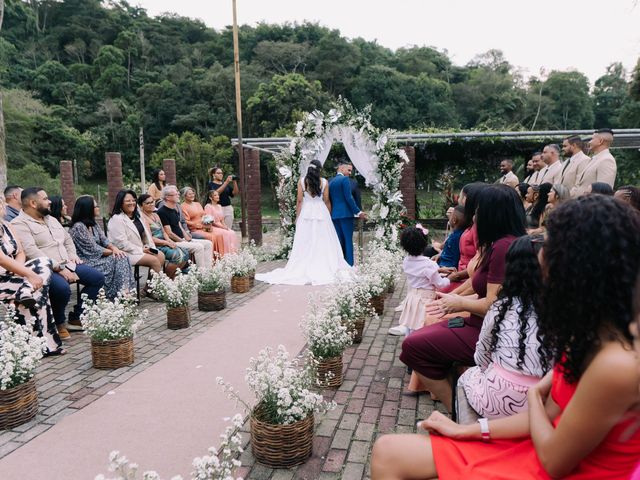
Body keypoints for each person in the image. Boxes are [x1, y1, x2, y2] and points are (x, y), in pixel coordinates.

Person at [371, 195, 640, 480]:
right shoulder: (591, 332)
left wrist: (535, 396)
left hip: (559, 466)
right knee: (387, 449)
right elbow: (550, 415)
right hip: (538, 446)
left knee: (391, 455)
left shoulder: (618, 363)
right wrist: (468, 430)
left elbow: (553, 461)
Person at [400, 184, 526, 412]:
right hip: (476, 323)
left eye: (478, 211)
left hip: (488, 332)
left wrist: (457, 303)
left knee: (413, 347)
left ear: (492, 214)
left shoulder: (502, 248)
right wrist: (451, 297)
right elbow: (475, 282)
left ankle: (458, 412)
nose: (474, 216)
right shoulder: (500, 243)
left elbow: (494, 305)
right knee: (419, 336)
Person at [457, 234, 546, 419]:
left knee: (466, 376)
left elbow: (481, 356)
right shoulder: (563, 309)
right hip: (545, 399)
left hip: (498, 401)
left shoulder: (502, 307)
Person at [11, 187, 105, 340]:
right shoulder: (19, 224)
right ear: (33, 203)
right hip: (44, 268)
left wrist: (72, 256)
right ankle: (59, 322)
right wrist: (60, 268)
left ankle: (77, 316)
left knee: (97, 278)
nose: (49, 202)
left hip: (67, 263)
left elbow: (67, 240)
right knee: (62, 289)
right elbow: (31, 251)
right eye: (45, 199)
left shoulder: (52, 219)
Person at [256, 160, 352, 285]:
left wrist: (297, 217)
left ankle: (304, 263)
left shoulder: (302, 181)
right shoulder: (324, 182)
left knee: (305, 239)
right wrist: (328, 215)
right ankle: (323, 263)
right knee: (323, 238)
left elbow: (299, 201)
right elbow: (327, 200)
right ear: (320, 169)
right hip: (320, 212)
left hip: (306, 212)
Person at [0, 197, 62, 355]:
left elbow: (20, 251)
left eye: (1, 202)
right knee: (38, 290)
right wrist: (27, 274)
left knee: (43, 262)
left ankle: (24, 291)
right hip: (2, 279)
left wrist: (19, 271)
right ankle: (48, 346)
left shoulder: (7, 225)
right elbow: (1, 258)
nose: (3, 206)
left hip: (15, 272)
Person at [69, 195, 134, 299]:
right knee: (120, 258)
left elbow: (105, 240)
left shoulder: (93, 224)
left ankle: (123, 292)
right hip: (86, 260)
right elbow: (93, 249)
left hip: (99, 257)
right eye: (96, 206)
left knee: (122, 257)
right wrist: (113, 252)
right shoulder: (78, 227)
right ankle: (120, 294)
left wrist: (114, 248)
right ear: (88, 209)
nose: (98, 208)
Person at [388, 227, 450, 336]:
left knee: (411, 325)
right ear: (424, 244)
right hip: (425, 300)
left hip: (412, 298)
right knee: (422, 329)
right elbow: (440, 284)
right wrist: (450, 279)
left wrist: (438, 270)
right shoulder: (429, 264)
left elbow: (421, 272)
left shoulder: (406, 261)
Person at [108, 190, 165, 292]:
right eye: (127, 201)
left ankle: (148, 288)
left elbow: (145, 235)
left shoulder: (137, 216)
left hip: (140, 249)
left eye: (133, 200)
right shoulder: (117, 219)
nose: (131, 203)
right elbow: (121, 243)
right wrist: (141, 249)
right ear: (120, 202)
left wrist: (149, 247)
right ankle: (152, 290)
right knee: (154, 261)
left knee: (160, 255)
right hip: (125, 253)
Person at [157, 186, 213, 268]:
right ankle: (202, 274)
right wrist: (182, 240)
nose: (178, 195)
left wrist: (186, 236)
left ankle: (208, 270)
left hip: (181, 239)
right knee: (199, 247)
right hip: (173, 241)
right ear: (168, 197)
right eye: (176, 194)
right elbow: (169, 233)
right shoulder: (162, 212)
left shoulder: (174, 208)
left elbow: (179, 224)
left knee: (208, 243)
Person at [137, 194, 188, 278]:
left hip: (164, 242)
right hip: (154, 245)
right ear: (141, 205)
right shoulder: (142, 218)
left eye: (152, 201)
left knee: (185, 253)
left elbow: (163, 231)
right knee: (176, 255)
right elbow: (149, 238)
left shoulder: (156, 215)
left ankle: (172, 278)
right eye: (148, 203)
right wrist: (166, 243)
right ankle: (165, 279)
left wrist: (169, 240)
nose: (152, 204)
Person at [328, 160, 367, 266]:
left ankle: (339, 264)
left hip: (334, 215)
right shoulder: (344, 179)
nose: (350, 173)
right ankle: (349, 265)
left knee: (339, 241)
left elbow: (328, 199)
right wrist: (358, 212)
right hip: (346, 214)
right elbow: (349, 198)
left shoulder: (330, 181)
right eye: (348, 170)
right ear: (341, 168)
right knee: (348, 241)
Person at [571, 128, 617, 197]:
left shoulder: (606, 160)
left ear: (600, 141)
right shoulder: (596, 159)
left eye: (592, 139)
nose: (589, 142)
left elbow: (603, 193)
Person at [180, 186, 225, 257]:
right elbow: (185, 221)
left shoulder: (197, 204)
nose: (192, 195)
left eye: (193, 193)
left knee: (219, 235)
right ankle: (210, 259)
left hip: (204, 226)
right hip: (194, 229)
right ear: (184, 196)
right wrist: (198, 225)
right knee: (211, 237)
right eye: (190, 194)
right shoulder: (182, 206)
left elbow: (204, 215)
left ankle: (219, 258)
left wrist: (208, 224)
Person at [203, 190, 240, 254]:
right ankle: (225, 254)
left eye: (218, 195)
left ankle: (232, 253)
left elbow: (222, 220)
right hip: (213, 226)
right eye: (215, 195)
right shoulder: (208, 206)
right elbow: (210, 221)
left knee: (232, 232)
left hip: (220, 225)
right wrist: (222, 227)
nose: (217, 196)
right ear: (210, 197)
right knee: (226, 233)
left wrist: (225, 226)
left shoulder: (219, 206)